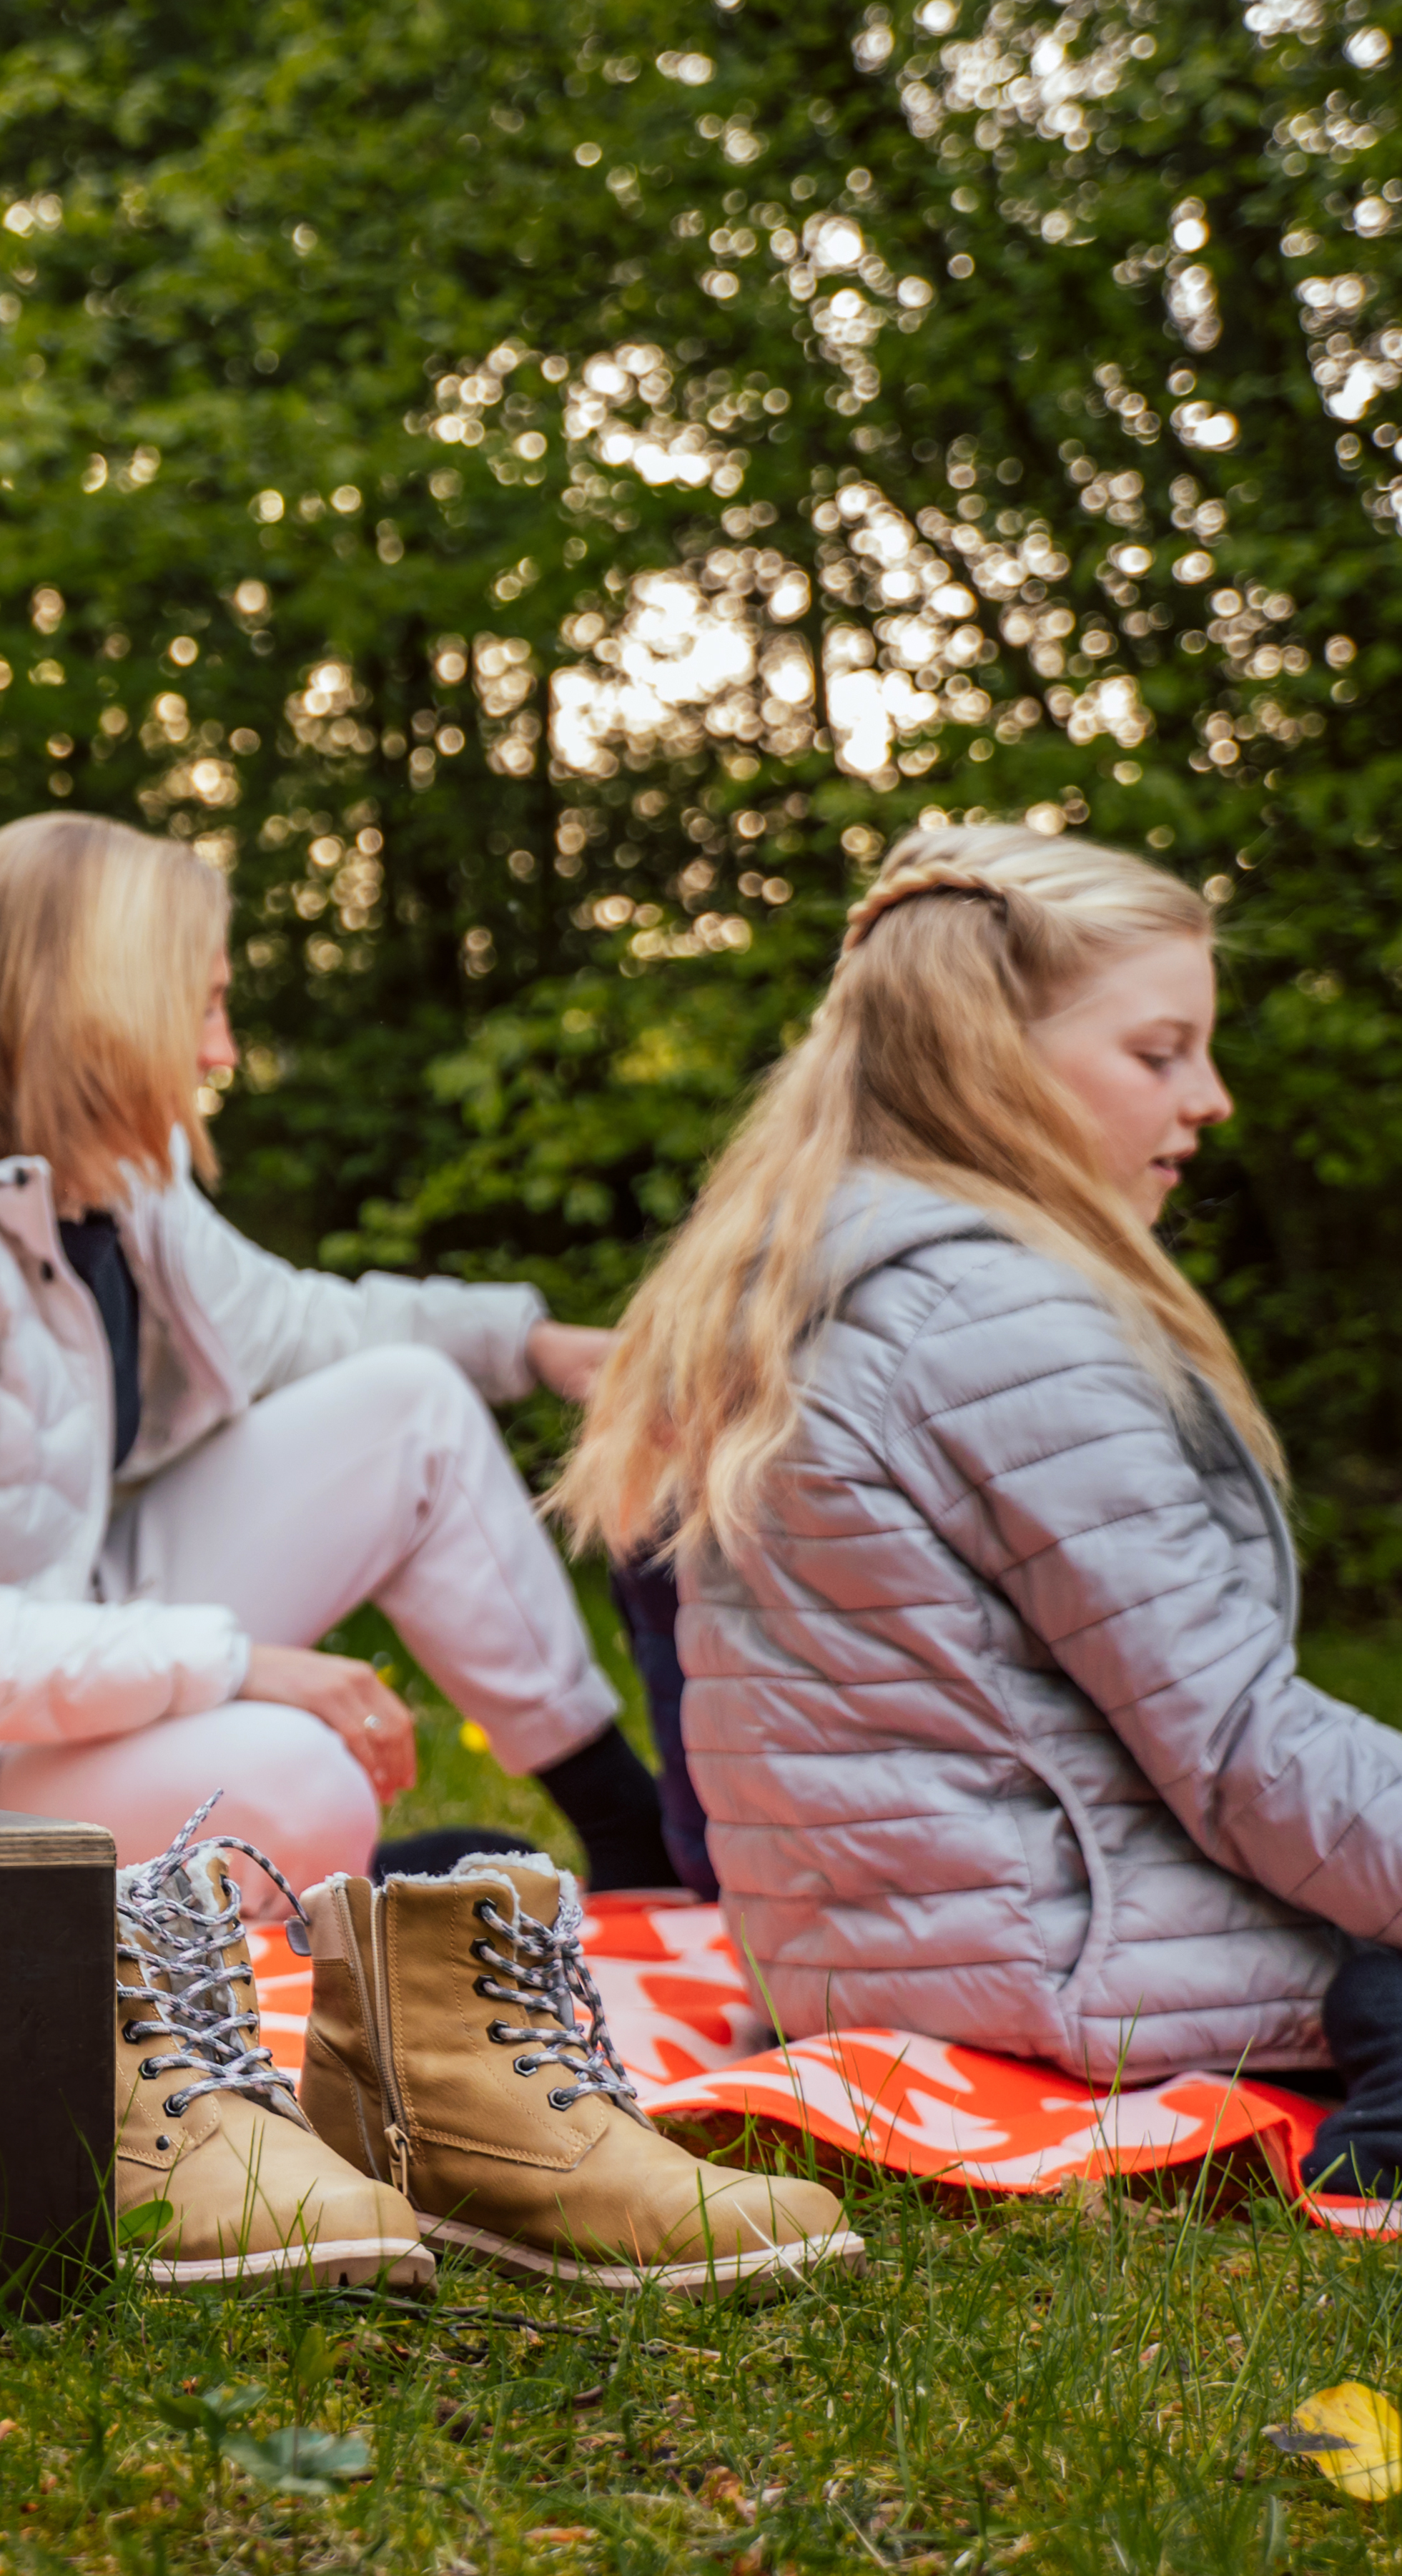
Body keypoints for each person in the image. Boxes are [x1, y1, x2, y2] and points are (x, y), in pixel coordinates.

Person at [555, 825, 1402, 2194]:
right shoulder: (998, 1319)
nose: (1212, 1099)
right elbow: (1240, 1752)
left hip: (864, 1960)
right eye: (1160, 1052)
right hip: (1045, 1964)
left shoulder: (819, 1264)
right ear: (992, 1053)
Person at [0, 811, 671, 1894]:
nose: (222, 1051)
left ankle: (633, 1834)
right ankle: (292, 1890)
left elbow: (295, 1326)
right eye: (203, 1006)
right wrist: (238, 1668)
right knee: (303, 1780)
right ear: (102, 1013)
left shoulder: (106, 1185)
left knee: (414, 1408)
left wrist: (532, 1346)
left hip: (48, 1650)